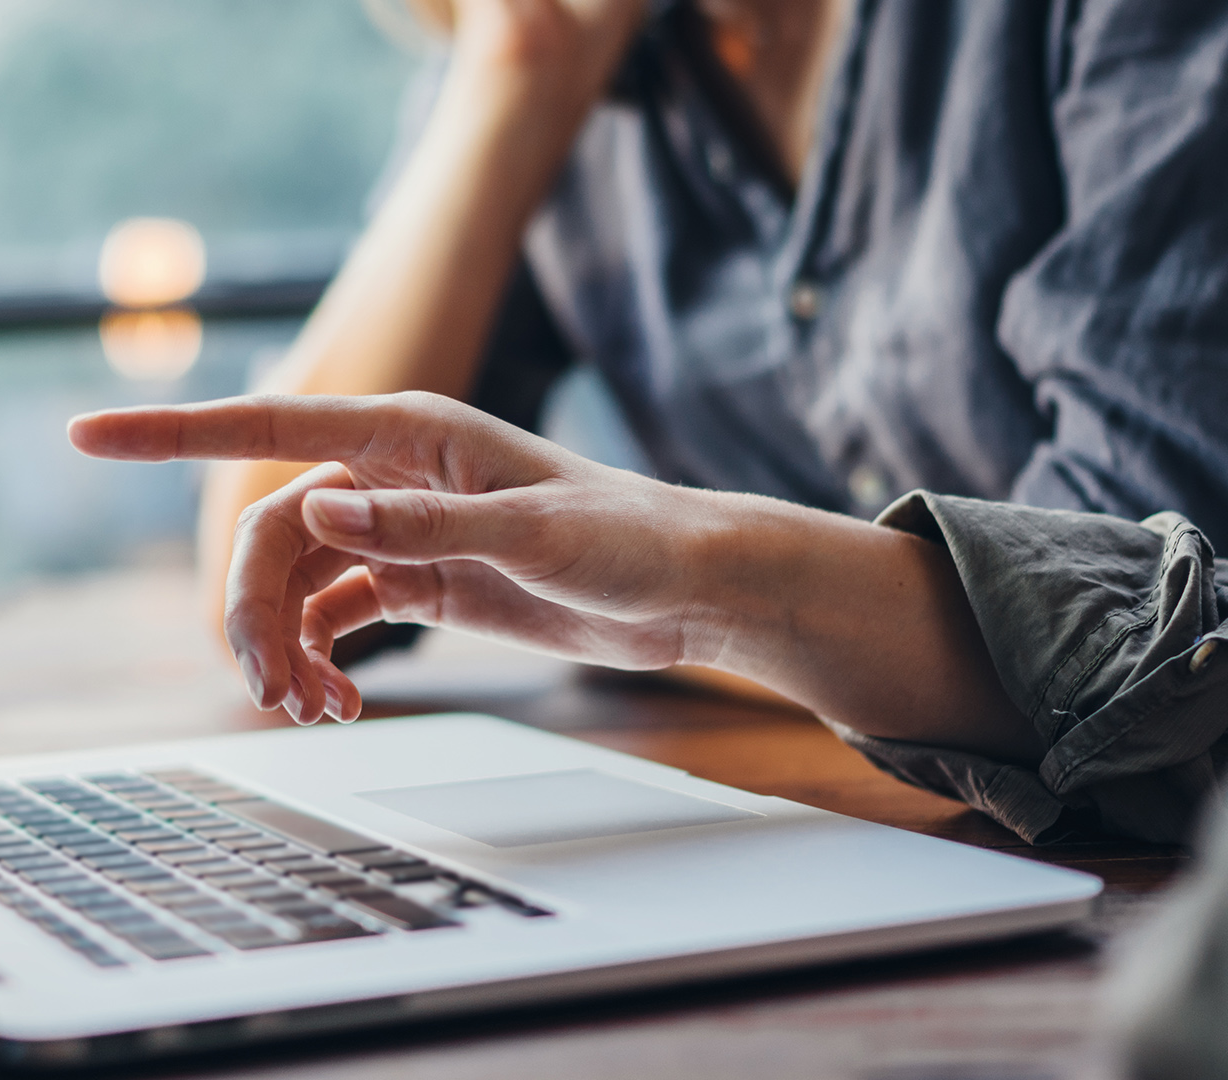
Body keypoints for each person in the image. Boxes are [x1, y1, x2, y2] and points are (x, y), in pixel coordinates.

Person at [199, 0, 1228, 667]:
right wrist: (515, 62)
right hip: (834, 826)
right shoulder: (573, 58)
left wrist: (708, 594)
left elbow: (1151, 611)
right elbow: (278, 587)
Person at [72, 392, 1228, 846]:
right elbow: (274, 536)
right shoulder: (615, 108)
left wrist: (719, 589)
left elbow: (1170, 627)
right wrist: (516, 80)